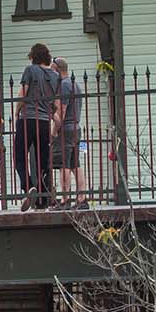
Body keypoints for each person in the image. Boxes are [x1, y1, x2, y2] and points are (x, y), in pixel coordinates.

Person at [15, 43, 62, 209]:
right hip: (43, 122)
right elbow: (56, 104)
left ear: (33, 56)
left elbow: (22, 94)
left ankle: (28, 187)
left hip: (27, 118)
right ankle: (42, 198)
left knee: (20, 156)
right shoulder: (56, 76)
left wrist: (17, 111)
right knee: (43, 161)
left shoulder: (30, 70)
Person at [52, 57, 88, 208]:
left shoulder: (63, 86)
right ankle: (82, 198)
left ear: (57, 69)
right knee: (75, 164)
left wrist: (55, 130)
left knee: (63, 165)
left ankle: (64, 200)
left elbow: (62, 110)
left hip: (65, 129)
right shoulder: (75, 84)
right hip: (76, 128)